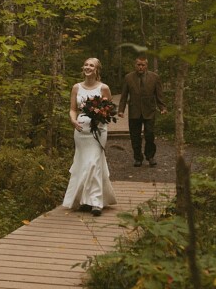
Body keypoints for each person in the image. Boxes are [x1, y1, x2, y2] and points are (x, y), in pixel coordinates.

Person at [62, 57, 117, 216]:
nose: (87, 67)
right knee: (83, 163)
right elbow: (73, 108)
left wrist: (100, 115)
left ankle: (96, 202)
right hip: (80, 129)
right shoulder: (76, 87)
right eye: (86, 64)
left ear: (96, 69)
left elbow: (109, 109)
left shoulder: (103, 88)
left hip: (98, 130)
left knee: (93, 162)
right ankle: (84, 200)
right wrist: (72, 120)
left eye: (91, 65)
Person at [117, 55, 166, 167]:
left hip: (149, 111)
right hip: (134, 111)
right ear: (135, 65)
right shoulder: (128, 77)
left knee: (149, 134)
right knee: (135, 135)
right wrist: (121, 110)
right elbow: (124, 95)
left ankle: (150, 156)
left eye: (143, 65)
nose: (140, 67)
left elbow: (159, 95)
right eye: (138, 65)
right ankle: (138, 157)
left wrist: (162, 107)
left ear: (146, 66)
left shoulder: (154, 77)